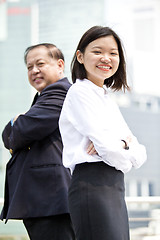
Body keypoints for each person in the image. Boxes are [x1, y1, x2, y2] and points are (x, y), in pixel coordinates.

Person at [59, 26, 147, 240]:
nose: (106, 58)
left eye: (113, 53)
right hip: (92, 185)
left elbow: (140, 152)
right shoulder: (79, 92)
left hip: (114, 187)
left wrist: (122, 145)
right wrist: (123, 149)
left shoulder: (105, 97)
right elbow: (108, 148)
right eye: (97, 51)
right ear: (80, 56)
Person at [0, 43, 75, 240]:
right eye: (29, 67)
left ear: (60, 65)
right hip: (44, 201)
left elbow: (20, 132)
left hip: (51, 200)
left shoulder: (60, 92)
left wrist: (15, 124)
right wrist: (14, 126)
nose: (34, 71)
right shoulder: (43, 97)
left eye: (40, 64)